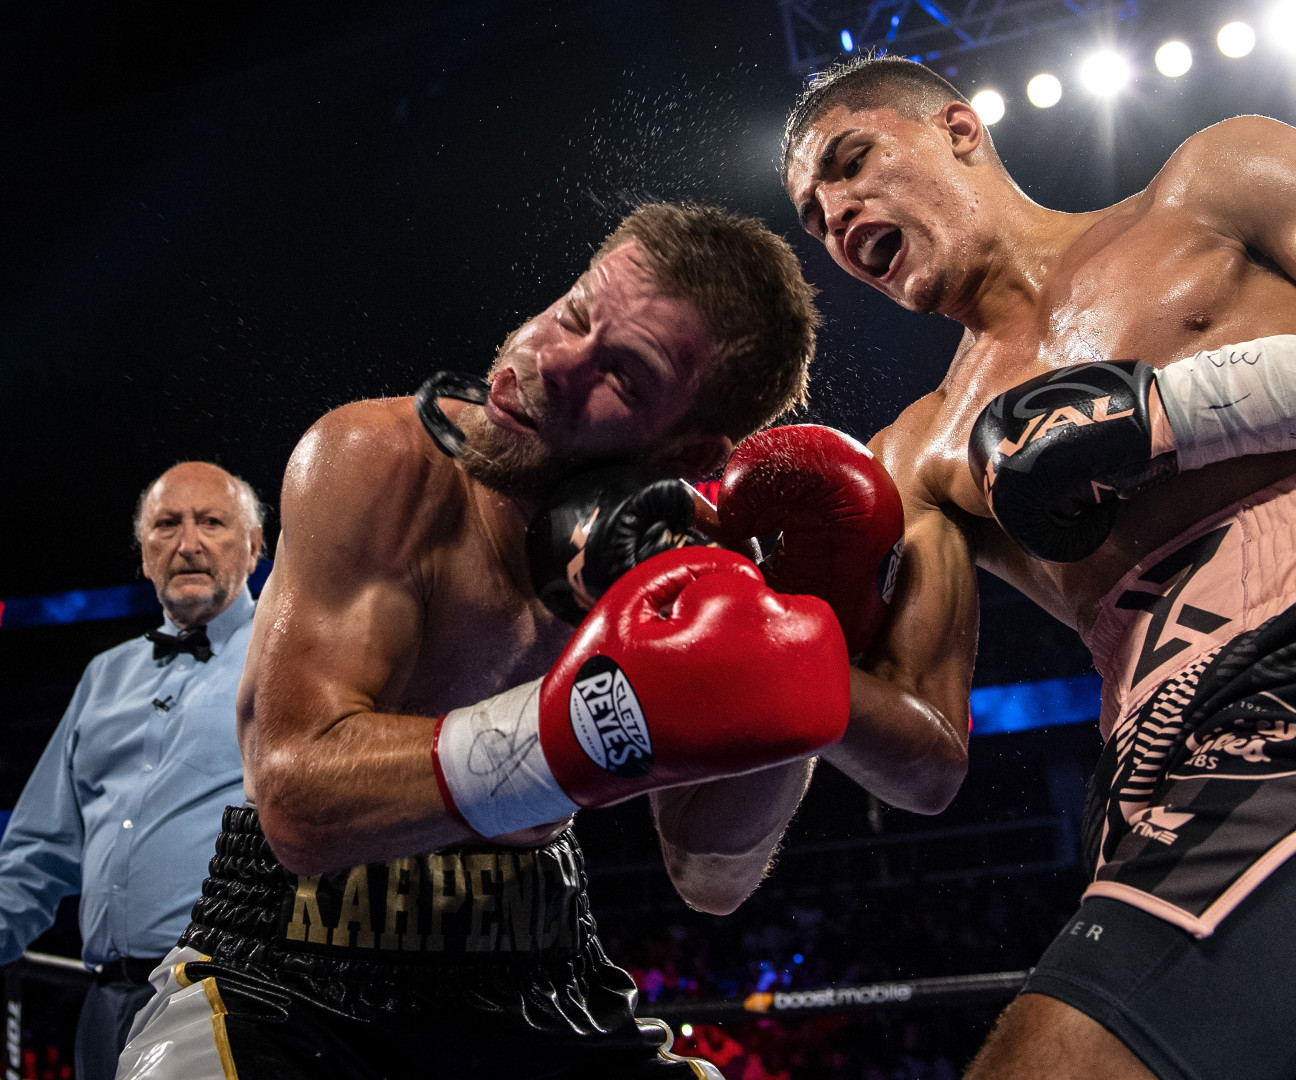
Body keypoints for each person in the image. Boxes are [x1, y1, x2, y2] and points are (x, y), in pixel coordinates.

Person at [781, 57, 1296, 1080]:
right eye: (814, 216)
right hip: (1149, 776)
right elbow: (928, 754)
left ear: (958, 129)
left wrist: (1168, 415)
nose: (837, 212)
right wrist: (782, 659)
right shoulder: (921, 450)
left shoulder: (1211, 187)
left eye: (853, 164)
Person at [116, 201, 933, 1079]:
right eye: (575, 312)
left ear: (686, 449)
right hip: (292, 966)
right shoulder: (375, 461)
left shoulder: (687, 567)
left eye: (621, 371)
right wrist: (577, 735)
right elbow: (297, 803)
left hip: (542, 972)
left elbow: (713, 879)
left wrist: (800, 632)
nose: (546, 360)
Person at [0, 462, 264, 1080]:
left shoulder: (289, 657)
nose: (188, 543)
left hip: (228, 995)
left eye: (211, 523)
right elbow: (39, 850)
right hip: (104, 1003)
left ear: (255, 546)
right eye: (167, 525)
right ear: (144, 555)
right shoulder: (104, 675)